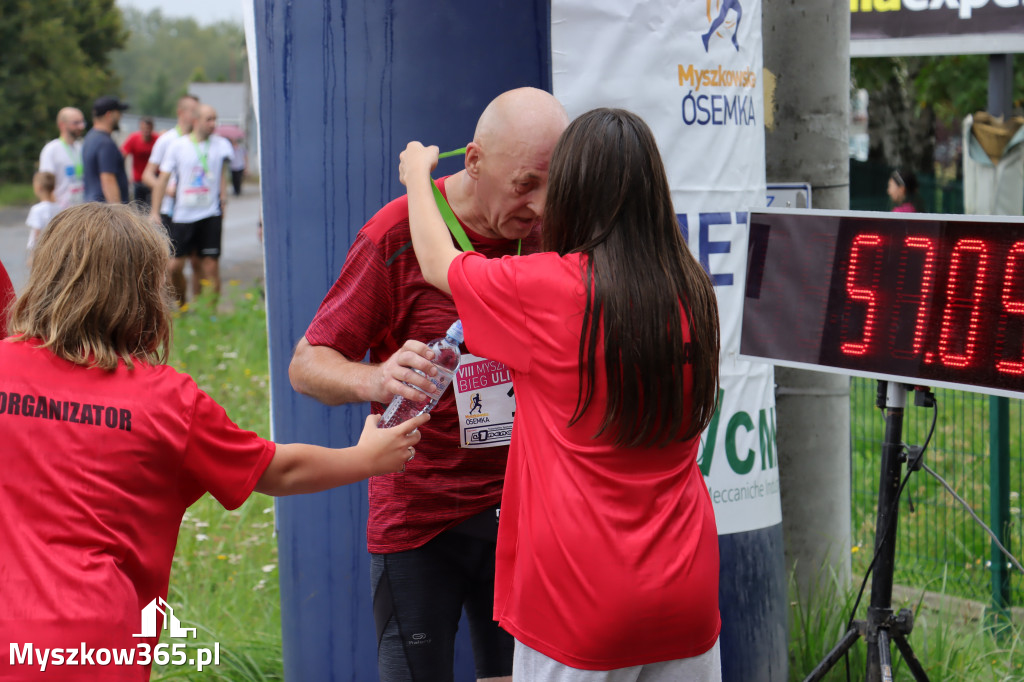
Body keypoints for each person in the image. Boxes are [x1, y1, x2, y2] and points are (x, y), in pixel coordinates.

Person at [0, 202, 428, 681]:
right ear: (141, 294)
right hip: (93, 646)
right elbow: (276, 469)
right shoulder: (165, 400)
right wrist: (364, 458)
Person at [398, 108, 723, 680]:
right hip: (686, 593)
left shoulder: (551, 288)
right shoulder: (691, 287)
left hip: (579, 604)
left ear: (572, 192)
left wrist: (417, 178)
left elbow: (436, 262)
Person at [288, 87, 568, 682]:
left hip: (524, 511)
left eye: (554, 185)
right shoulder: (395, 234)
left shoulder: (555, 234)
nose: (540, 207)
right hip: (420, 518)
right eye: (524, 185)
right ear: (473, 160)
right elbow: (307, 363)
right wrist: (376, 376)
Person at [150, 104, 233, 303]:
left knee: (210, 265)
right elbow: (162, 179)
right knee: (174, 267)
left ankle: (210, 314)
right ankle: (183, 304)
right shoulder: (178, 145)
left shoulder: (221, 145)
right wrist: (155, 211)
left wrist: (223, 200)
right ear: (196, 121)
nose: (213, 124)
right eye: (209, 119)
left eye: (215, 119)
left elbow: (221, 173)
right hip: (183, 214)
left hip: (210, 213)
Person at [143, 95, 200, 302]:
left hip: (195, 208)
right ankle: (179, 303)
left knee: (198, 263)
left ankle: (200, 308)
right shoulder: (167, 140)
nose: (197, 115)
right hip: (170, 209)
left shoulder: (200, 139)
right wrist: (165, 189)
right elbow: (147, 175)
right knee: (173, 264)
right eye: (193, 110)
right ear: (181, 112)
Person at [82, 96, 131, 204]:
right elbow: (108, 179)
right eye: (118, 113)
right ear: (109, 115)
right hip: (104, 211)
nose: (120, 116)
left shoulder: (90, 137)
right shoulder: (105, 143)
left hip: (92, 207)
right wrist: (119, 214)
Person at [38, 107, 87, 210]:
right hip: (61, 212)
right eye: (76, 123)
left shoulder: (81, 147)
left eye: (82, 122)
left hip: (80, 211)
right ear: (62, 125)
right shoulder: (51, 150)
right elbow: (46, 185)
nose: (81, 126)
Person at [121, 116, 160, 209]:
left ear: (152, 128)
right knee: (139, 208)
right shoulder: (134, 138)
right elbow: (123, 155)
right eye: (144, 128)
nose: (146, 131)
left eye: (148, 128)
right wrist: (123, 175)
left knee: (152, 207)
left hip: (153, 179)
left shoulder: (158, 139)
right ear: (140, 128)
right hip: (138, 180)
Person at [25, 171, 58, 261]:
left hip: (41, 250)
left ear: (38, 187)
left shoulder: (37, 209)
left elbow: (36, 233)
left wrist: (32, 255)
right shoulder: (59, 207)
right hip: (56, 248)